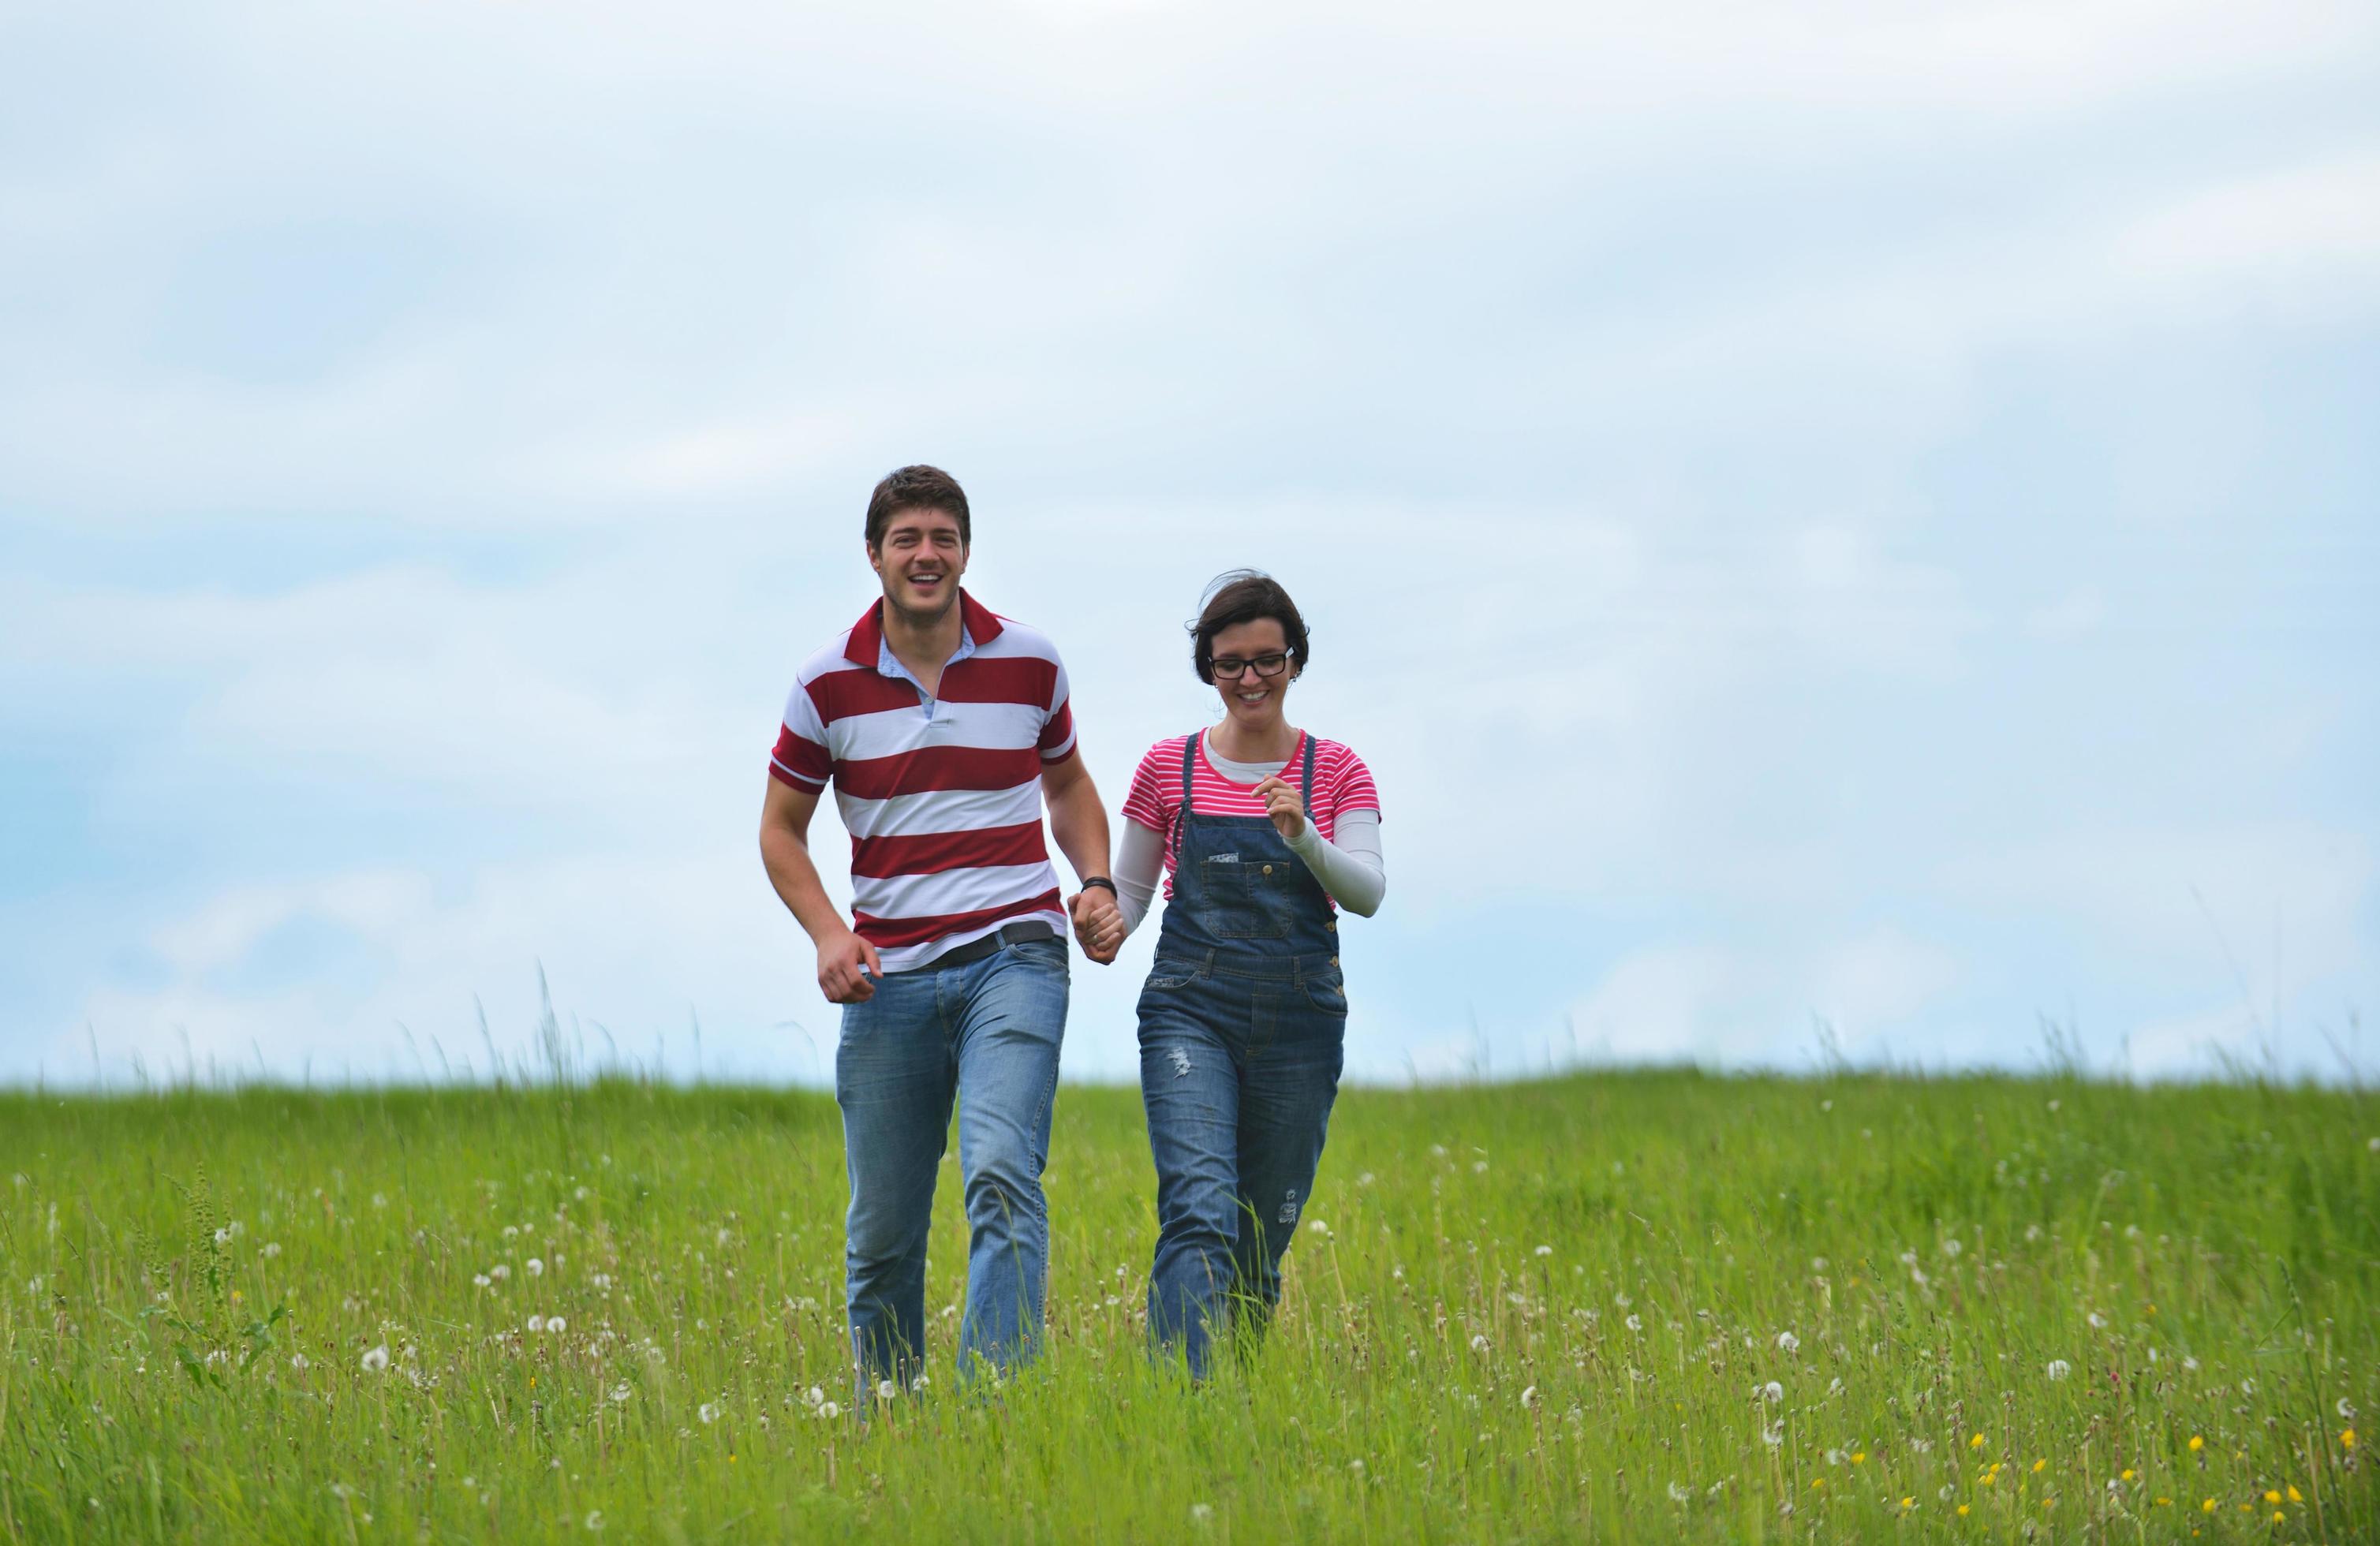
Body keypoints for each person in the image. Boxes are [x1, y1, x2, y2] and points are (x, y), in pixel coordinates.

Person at [758, 465, 1126, 1395]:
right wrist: (827, 935)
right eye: (907, 539)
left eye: (943, 537)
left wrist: (1091, 880)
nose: (927, 554)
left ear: (965, 550)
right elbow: (780, 830)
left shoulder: (1029, 661)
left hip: (1016, 952)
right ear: (874, 555)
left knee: (1002, 1169)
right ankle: (889, 1414)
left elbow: (1069, 783)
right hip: (891, 979)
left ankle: (995, 1406)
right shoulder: (824, 686)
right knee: (882, 1230)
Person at [1112, 570, 1384, 1376]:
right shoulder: (1168, 767)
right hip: (1189, 1008)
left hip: (1300, 1020)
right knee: (1197, 1209)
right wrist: (1100, 924)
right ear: (1207, 668)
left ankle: (1234, 1401)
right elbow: (1128, 894)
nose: (1250, 678)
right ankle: (1180, 1407)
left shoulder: (1336, 770)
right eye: (1231, 662)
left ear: (1295, 661)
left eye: (1268, 658)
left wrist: (1302, 834)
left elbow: (1365, 891)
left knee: (1259, 1240)